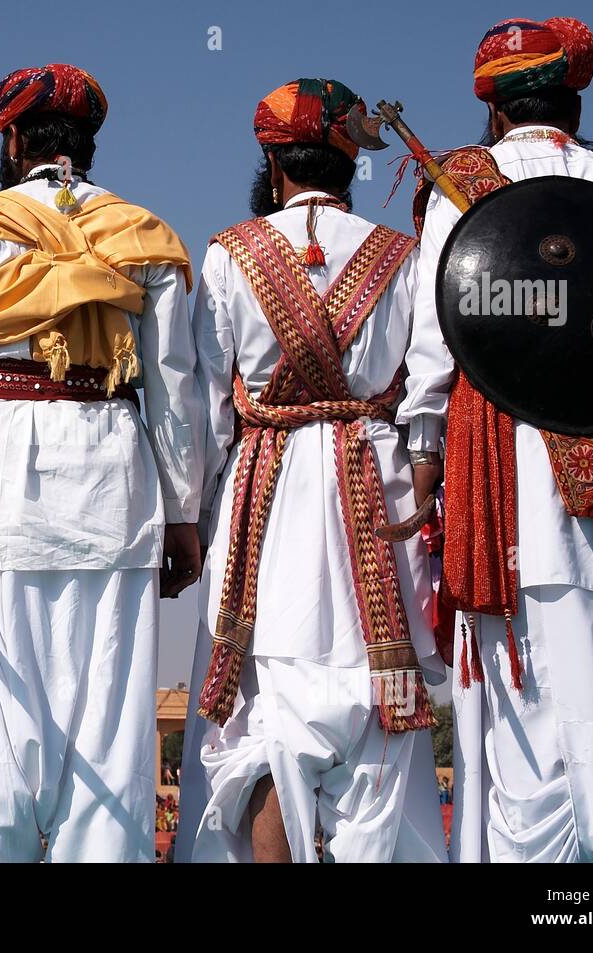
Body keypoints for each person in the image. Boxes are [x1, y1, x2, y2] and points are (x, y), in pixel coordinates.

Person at [400, 16, 593, 862]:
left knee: (535, 722)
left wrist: (425, 452)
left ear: (495, 112)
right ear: (573, 101)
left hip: (520, 485)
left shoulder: (466, 183)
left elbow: (441, 337)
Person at [0, 63, 205, 862]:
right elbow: (175, 394)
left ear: (11, 139)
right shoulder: (148, 235)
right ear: (89, 142)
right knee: (109, 730)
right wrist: (183, 513)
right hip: (116, 490)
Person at [184, 79, 446, 863]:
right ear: (350, 166)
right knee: (380, 710)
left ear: (273, 166)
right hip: (376, 482)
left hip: (267, 494)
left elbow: (206, 404)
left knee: (269, 716)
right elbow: (429, 383)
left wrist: (194, 517)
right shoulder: (403, 255)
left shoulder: (232, 253)